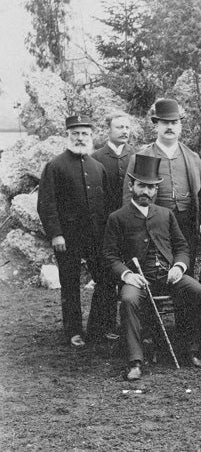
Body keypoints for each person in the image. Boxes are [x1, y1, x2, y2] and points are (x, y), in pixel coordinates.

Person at [104, 154, 201, 380]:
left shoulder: (165, 214)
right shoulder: (118, 217)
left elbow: (182, 246)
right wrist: (126, 275)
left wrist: (179, 267)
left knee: (199, 292)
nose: (147, 192)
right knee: (129, 299)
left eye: (152, 188)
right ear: (132, 186)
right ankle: (135, 361)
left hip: (167, 276)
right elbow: (110, 256)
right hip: (138, 280)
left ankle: (191, 351)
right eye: (142, 186)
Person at [37, 115, 117, 347]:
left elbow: (106, 205)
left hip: (95, 237)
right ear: (68, 135)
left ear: (91, 137)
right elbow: (46, 203)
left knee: (104, 280)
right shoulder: (55, 166)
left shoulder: (97, 167)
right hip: (68, 238)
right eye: (76, 134)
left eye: (85, 134)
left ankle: (96, 328)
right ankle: (73, 331)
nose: (80, 138)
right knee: (70, 285)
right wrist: (55, 234)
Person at [123, 98, 201, 277]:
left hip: (186, 221)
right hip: (153, 222)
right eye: (165, 122)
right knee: (155, 266)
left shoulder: (192, 157)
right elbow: (128, 194)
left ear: (180, 126)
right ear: (156, 125)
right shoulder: (141, 157)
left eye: (174, 122)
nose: (170, 127)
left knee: (185, 266)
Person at [92, 111, 135, 211]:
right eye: (119, 127)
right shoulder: (95, 158)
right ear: (108, 130)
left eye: (127, 128)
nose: (124, 131)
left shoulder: (136, 154)